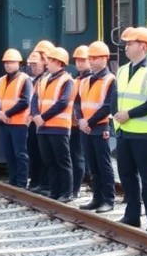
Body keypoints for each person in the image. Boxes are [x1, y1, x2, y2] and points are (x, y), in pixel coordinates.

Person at [113, 26, 147, 233]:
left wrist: (129, 114)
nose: (126, 47)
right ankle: (132, 215)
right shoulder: (122, 70)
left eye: (130, 43)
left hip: (144, 134)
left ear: (143, 46)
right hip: (124, 132)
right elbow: (115, 97)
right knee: (126, 175)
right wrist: (116, 116)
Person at [75, 40, 117, 213]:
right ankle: (97, 198)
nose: (90, 60)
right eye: (89, 58)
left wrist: (87, 122)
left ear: (105, 59)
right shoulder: (86, 81)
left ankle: (108, 199)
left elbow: (108, 106)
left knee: (103, 164)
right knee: (92, 165)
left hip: (100, 128)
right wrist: (80, 120)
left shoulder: (110, 80)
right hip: (86, 128)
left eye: (94, 57)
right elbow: (77, 102)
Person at [31, 47, 75, 202]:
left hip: (59, 127)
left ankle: (66, 192)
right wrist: (36, 115)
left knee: (62, 161)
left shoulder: (67, 80)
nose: (46, 64)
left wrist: (42, 117)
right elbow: (35, 99)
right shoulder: (43, 80)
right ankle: (55, 191)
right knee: (49, 160)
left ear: (58, 62)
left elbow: (63, 102)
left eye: (49, 61)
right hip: (43, 128)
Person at [0, 49, 32, 187]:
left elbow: (25, 101)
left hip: (19, 124)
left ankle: (21, 183)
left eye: (11, 62)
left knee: (20, 154)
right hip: (4, 124)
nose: (8, 65)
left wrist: (6, 114)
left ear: (18, 63)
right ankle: (13, 181)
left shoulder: (25, 80)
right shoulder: (1, 81)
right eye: (6, 62)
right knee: (9, 154)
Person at [26, 41, 53, 193]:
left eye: (35, 64)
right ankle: (36, 181)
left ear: (45, 60)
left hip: (46, 123)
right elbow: (34, 99)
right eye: (31, 65)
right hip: (35, 122)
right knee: (34, 152)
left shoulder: (51, 79)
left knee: (45, 156)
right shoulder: (36, 80)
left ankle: (45, 183)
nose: (32, 67)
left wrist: (39, 116)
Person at [69, 45, 91, 197]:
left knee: (78, 157)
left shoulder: (89, 80)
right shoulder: (77, 79)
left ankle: (75, 190)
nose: (79, 63)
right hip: (74, 124)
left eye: (83, 60)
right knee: (76, 156)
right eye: (77, 60)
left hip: (85, 124)